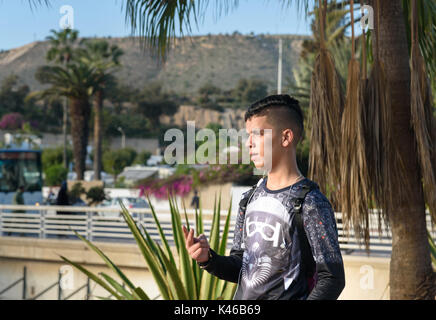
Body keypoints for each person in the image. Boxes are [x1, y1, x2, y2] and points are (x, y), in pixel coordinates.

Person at [182, 94, 345, 300]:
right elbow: (241, 267)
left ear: (286, 137)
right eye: (248, 135)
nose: (249, 143)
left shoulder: (311, 202)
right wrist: (208, 259)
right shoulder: (248, 199)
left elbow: (332, 278)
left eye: (258, 134)